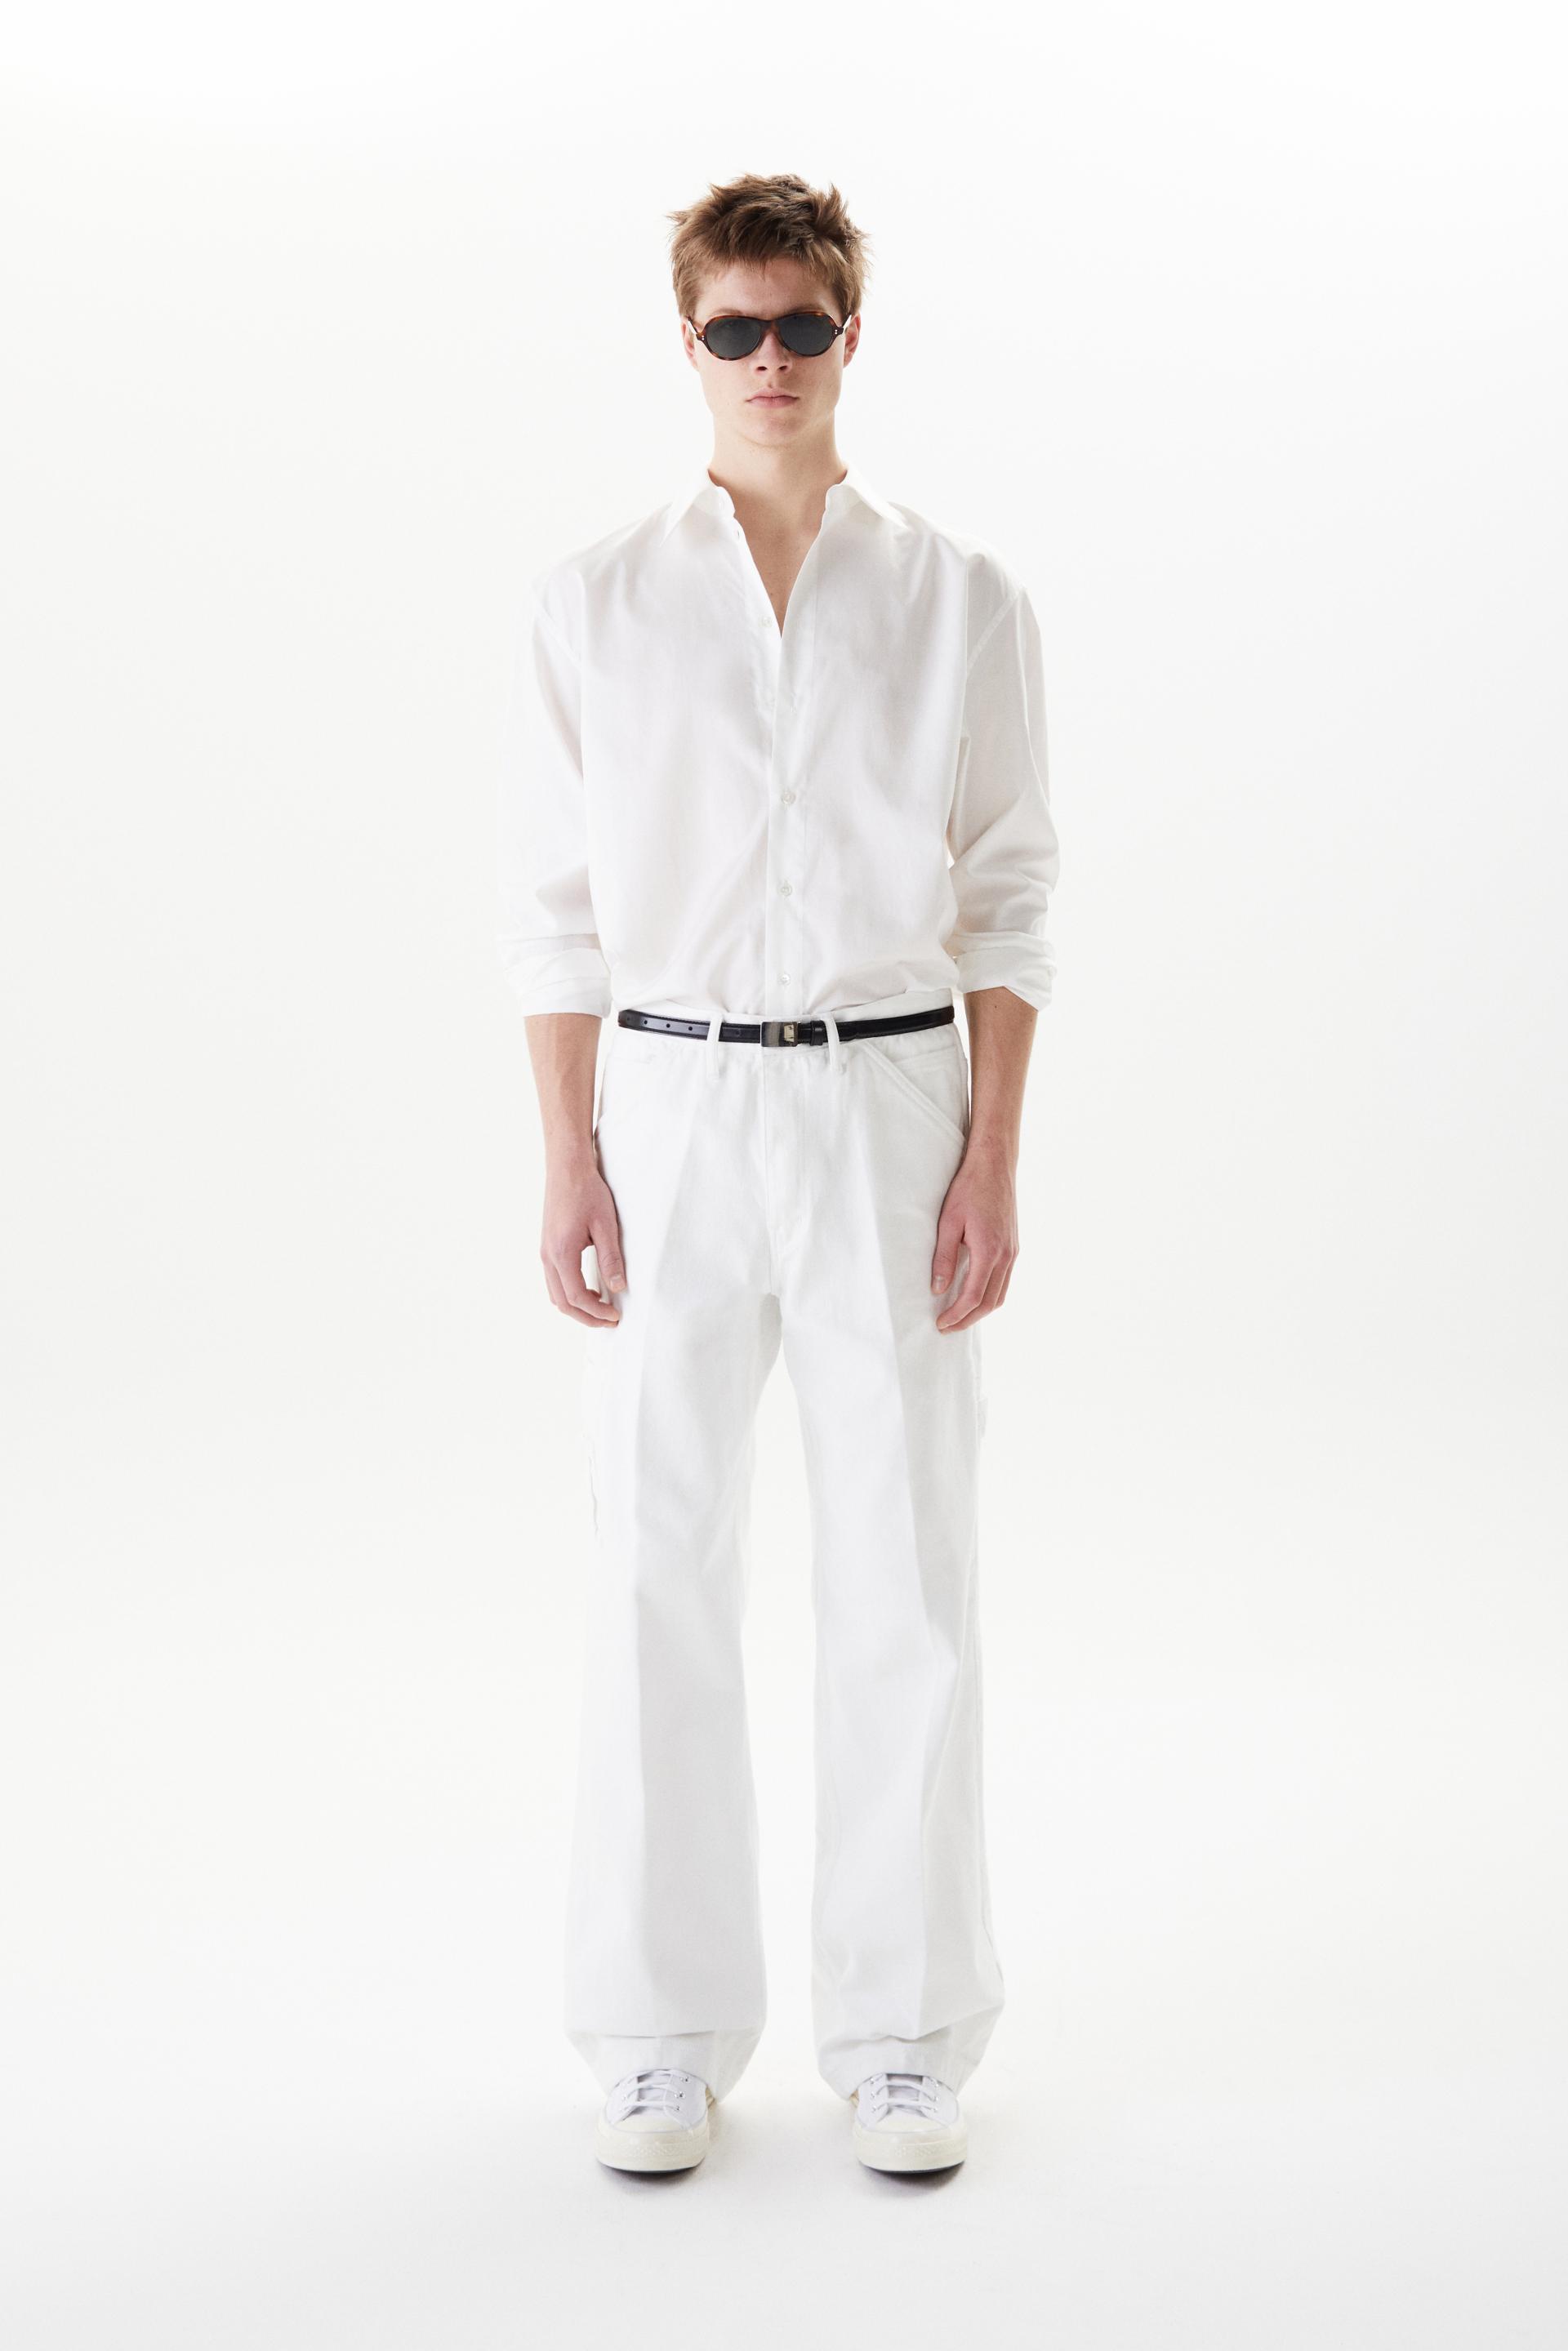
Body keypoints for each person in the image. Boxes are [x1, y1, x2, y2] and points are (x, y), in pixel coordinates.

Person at [496, 171, 1060, 2176]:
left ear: (848, 335)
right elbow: (557, 913)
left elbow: (1009, 895)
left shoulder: (961, 598)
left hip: (888, 1099)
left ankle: (902, 2033)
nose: (767, 360)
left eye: (800, 325)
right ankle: (658, 2032)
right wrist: (569, 1157)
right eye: (732, 328)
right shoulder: (594, 601)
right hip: (668, 1101)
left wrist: (992, 1155)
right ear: (688, 342)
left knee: (904, 1562)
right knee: (656, 1558)